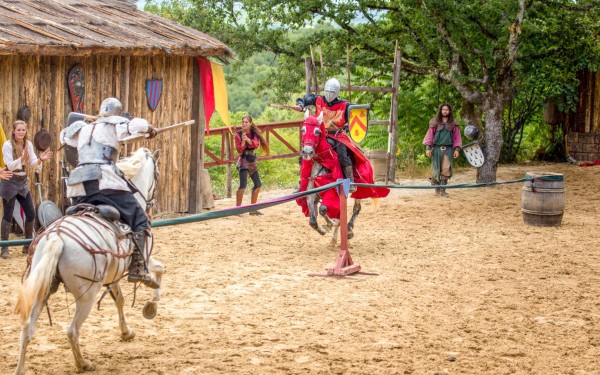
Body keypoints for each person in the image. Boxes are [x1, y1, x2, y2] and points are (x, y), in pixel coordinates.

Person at [62, 97, 159, 288]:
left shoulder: (82, 128)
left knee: (77, 218)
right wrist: (150, 129)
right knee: (140, 220)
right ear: (117, 113)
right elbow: (136, 125)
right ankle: (137, 268)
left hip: (79, 185)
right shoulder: (116, 124)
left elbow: (64, 136)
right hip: (104, 181)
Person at [0, 120, 53, 259]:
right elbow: (10, 166)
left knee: (30, 213)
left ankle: (27, 245)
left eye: (23, 130)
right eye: (18, 130)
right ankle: (4, 248)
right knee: (8, 214)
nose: (21, 132)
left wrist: (40, 159)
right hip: (9, 181)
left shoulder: (28, 144)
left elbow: (33, 164)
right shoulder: (7, 145)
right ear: (13, 131)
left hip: (22, 182)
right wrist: (22, 159)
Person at [296, 78, 356, 191]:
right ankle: (302, 181)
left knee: (342, 155)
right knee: (305, 151)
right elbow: (304, 99)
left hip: (337, 135)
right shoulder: (318, 99)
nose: (329, 94)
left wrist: (348, 126)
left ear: (337, 92)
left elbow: (355, 117)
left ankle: (350, 181)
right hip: (319, 133)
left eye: (332, 92)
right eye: (327, 91)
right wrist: (300, 104)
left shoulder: (345, 105)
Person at [422, 103, 462, 197]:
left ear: (449, 111)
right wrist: (428, 148)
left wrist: (456, 150)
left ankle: (443, 191)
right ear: (440, 111)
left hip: (448, 149)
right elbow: (429, 136)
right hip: (436, 149)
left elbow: (457, 138)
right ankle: (437, 189)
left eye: (447, 110)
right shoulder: (435, 122)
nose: (445, 111)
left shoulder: (453, 123)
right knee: (436, 170)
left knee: (446, 169)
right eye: (443, 109)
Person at [235, 114, 269, 215]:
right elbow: (240, 150)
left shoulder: (254, 133)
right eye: (243, 122)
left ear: (250, 123)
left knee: (258, 184)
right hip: (244, 160)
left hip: (252, 161)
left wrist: (247, 140)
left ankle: (252, 209)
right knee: (243, 185)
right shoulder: (238, 134)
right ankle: (238, 210)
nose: (244, 124)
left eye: (246, 122)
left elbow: (256, 144)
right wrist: (243, 142)